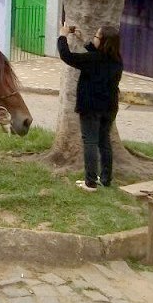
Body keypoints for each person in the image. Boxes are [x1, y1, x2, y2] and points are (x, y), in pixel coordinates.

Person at [57, 25, 123, 191]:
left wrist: (62, 36)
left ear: (103, 42)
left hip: (91, 107)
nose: (94, 38)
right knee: (104, 141)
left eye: (96, 36)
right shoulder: (117, 60)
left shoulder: (92, 60)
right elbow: (95, 52)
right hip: (109, 107)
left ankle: (90, 182)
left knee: (90, 142)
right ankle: (106, 179)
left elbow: (67, 56)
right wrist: (82, 40)